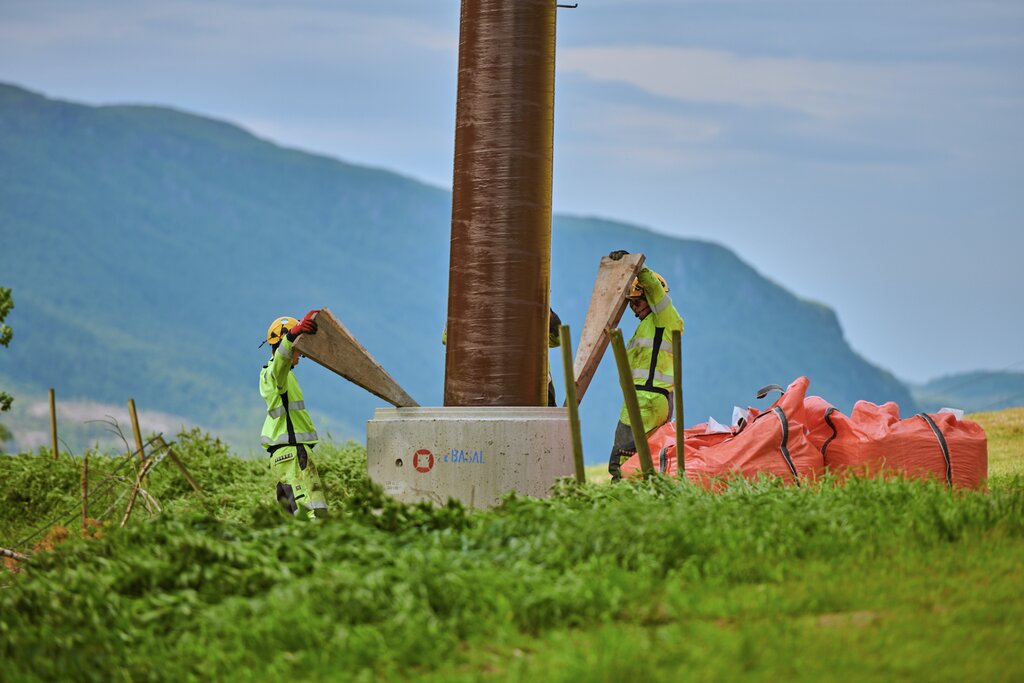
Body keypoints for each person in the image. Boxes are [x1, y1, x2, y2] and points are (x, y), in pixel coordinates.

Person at [606, 250, 684, 480]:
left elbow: (653, 287)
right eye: (630, 303)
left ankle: (617, 500)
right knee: (647, 456)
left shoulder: (664, 319)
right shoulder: (648, 326)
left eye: (637, 302)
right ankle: (647, 495)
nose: (633, 308)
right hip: (652, 400)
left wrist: (636, 266)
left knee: (622, 460)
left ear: (650, 299)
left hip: (645, 401)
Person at [259, 310, 328, 519]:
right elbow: (281, 359)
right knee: (313, 514)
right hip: (293, 454)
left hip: (283, 457)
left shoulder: (272, 376)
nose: (300, 355)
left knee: (292, 518)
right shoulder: (277, 373)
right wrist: (291, 336)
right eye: (299, 350)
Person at [441, 308, 563, 406]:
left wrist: (546, 309)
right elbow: (448, 339)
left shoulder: (532, 313)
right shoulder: (475, 310)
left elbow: (557, 339)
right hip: (490, 397)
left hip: (536, 395)